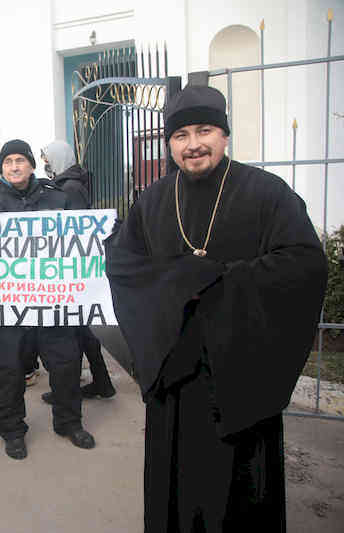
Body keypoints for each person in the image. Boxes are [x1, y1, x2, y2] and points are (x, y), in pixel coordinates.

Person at [105, 85, 327, 532]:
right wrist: (178, 282)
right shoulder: (152, 200)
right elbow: (124, 265)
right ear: (169, 143)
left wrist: (219, 281)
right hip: (177, 374)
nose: (193, 145)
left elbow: (304, 264)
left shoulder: (266, 193)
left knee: (240, 497)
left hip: (243, 373)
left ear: (224, 136)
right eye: (181, 135)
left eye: (204, 130)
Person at [0, 139, 95, 460]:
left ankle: (69, 421)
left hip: (53, 303)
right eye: (8, 162)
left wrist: (99, 232)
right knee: (9, 368)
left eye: (21, 160)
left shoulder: (57, 198)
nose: (15, 166)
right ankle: (12, 429)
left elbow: (82, 238)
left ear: (32, 164)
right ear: (0, 168)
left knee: (65, 364)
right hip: (7, 308)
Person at [38, 140, 115, 403]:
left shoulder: (70, 187)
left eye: (47, 159)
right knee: (82, 330)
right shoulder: (67, 184)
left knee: (74, 332)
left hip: (72, 268)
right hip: (72, 267)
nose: (45, 165)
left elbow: (76, 229)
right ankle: (102, 382)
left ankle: (70, 389)